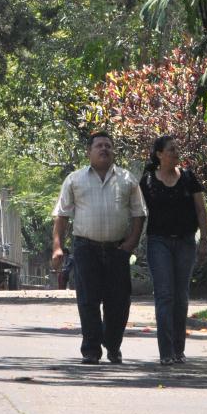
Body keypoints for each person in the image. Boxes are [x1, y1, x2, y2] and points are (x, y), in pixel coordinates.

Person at [51, 131, 146, 364]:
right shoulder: (75, 179)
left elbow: (139, 213)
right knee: (88, 300)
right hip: (86, 248)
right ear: (89, 152)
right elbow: (62, 216)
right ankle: (91, 350)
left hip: (117, 250)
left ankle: (113, 346)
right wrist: (57, 248)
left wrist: (130, 243)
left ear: (113, 151)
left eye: (108, 146)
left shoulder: (127, 180)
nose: (104, 149)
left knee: (119, 302)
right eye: (99, 146)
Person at [138, 135, 207, 365]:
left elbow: (201, 210)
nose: (176, 153)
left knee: (181, 297)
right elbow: (136, 212)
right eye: (171, 149)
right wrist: (129, 240)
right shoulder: (147, 181)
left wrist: (204, 240)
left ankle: (179, 349)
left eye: (177, 149)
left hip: (186, 242)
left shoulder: (188, 178)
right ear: (159, 154)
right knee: (165, 295)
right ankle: (166, 352)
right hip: (159, 242)